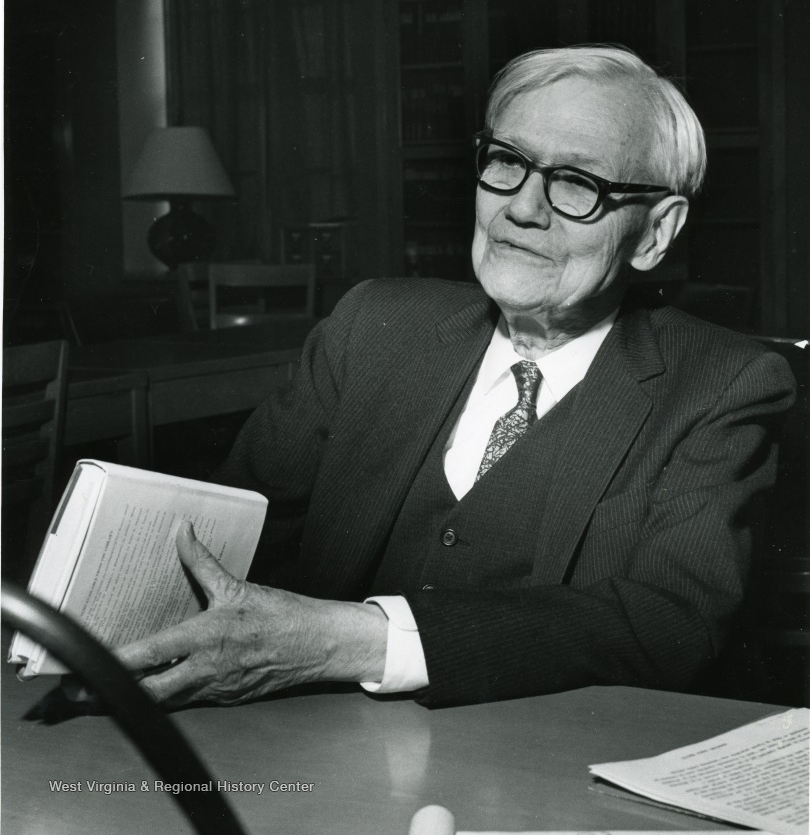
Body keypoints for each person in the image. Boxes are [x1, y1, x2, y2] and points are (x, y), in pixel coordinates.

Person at [119, 45, 795, 709]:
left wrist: (356, 641)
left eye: (577, 183)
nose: (522, 208)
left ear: (654, 233)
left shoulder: (721, 384)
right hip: (314, 744)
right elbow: (225, 535)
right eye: (507, 162)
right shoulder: (372, 327)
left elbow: (671, 622)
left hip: (549, 767)